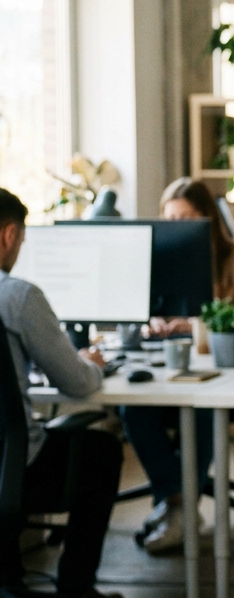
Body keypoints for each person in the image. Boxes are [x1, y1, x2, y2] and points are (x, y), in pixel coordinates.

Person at [121, 178, 234, 554]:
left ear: (207, 217)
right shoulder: (156, 260)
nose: (177, 227)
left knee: (203, 410)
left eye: (186, 217)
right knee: (131, 408)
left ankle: (178, 510)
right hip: (164, 366)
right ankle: (178, 501)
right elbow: (136, 313)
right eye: (170, 218)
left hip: (223, 372)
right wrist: (150, 323)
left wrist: (197, 325)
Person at [0, 188, 124, 598]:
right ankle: (76, 590)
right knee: (102, 451)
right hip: (13, 470)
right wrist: (92, 362)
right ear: (8, 235)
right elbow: (77, 383)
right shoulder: (18, 296)